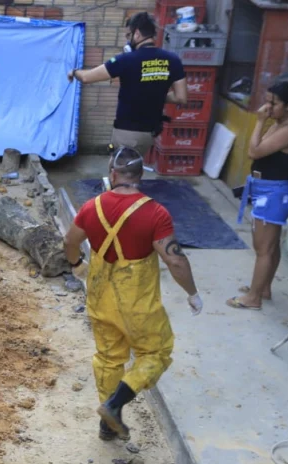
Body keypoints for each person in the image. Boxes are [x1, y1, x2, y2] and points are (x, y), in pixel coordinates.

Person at [64, 147, 202, 440]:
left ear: (113, 173)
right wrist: (192, 293)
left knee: (109, 358)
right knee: (156, 352)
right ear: (141, 176)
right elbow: (175, 259)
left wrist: (77, 265)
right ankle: (114, 405)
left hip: (100, 298)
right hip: (137, 304)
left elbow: (70, 241)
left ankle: (107, 426)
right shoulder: (155, 214)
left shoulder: (91, 207)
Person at [227, 81, 288, 311]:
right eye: (267, 101)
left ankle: (254, 298)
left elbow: (253, 151)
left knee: (263, 248)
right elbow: (259, 146)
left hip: (274, 194)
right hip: (266, 191)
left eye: (274, 103)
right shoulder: (279, 124)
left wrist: (260, 121)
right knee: (270, 245)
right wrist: (265, 123)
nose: (268, 107)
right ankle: (264, 288)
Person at [68, 12, 187, 156]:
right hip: (150, 132)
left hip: (127, 132)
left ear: (137, 34)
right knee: (135, 167)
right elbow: (181, 97)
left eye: (128, 35)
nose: (127, 39)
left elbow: (87, 77)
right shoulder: (173, 60)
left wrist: (74, 72)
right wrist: (157, 95)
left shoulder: (125, 60)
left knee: (121, 172)